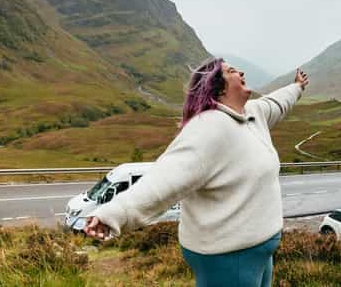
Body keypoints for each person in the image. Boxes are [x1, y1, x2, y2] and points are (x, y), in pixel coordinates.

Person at [84, 57, 309, 287]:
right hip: (228, 256)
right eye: (232, 71)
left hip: (258, 250)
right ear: (218, 87)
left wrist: (297, 87)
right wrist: (113, 214)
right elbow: (163, 180)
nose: (241, 72)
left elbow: (277, 102)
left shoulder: (254, 113)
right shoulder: (207, 129)